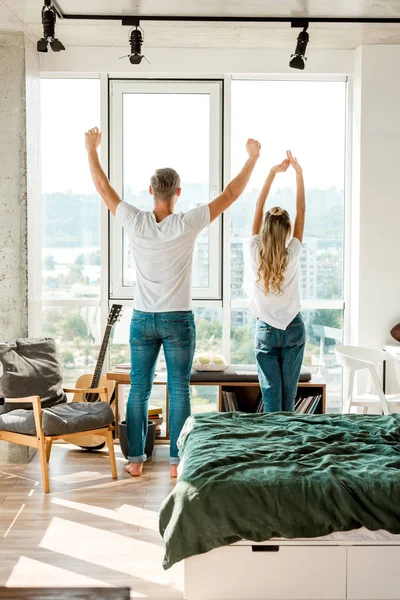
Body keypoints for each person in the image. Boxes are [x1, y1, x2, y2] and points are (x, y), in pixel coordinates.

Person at [85, 127, 261, 477]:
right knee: (179, 389)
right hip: (178, 320)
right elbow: (230, 195)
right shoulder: (186, 223)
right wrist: (252, 158)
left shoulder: (135, 221)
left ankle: (134, 461)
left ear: (152, 192)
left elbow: (103, 188)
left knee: (139, 389)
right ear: (177, 193)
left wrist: (91, 148)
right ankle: (178, 462)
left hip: (143, 320)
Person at [249, 151, 306, 412]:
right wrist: (299, 174)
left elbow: (258, 207)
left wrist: (271, 173)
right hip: (293, 327)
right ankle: (289, 449)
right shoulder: (292, 252)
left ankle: (275, 451)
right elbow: (301, 210)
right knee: (289, 397)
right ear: (287, 230)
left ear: (265, 228)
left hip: (265, 331)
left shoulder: (254, 250)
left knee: (271, 398)